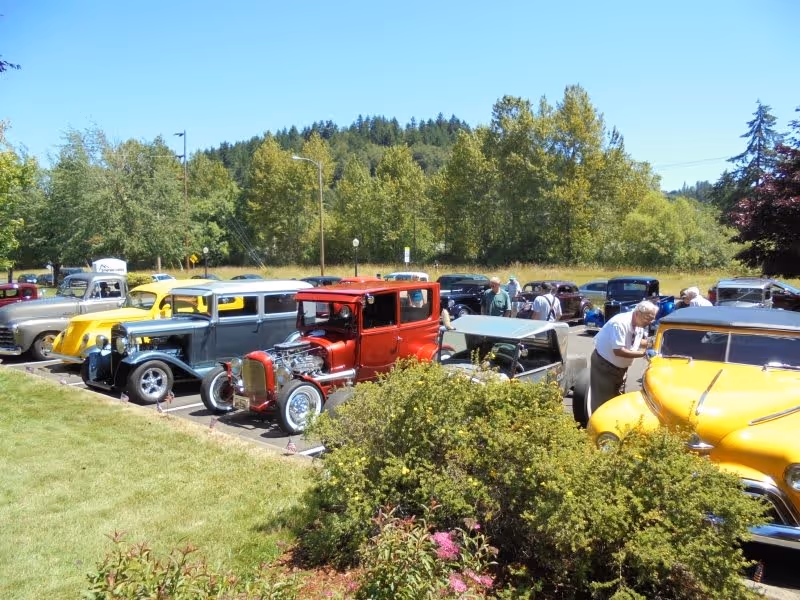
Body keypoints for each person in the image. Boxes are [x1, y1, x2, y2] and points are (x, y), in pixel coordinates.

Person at [590, 300, 659, 411]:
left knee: (617, 400)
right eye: (648, 318)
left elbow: (634, 340)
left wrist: (653, 343)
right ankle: (599, 427)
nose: (650, 322)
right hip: (605, 366)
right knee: (603, 403)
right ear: (637, 313)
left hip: (620, 368)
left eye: (652, 319)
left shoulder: (638, 323)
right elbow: (618, 350)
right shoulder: (620, 323)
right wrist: (643, 354)